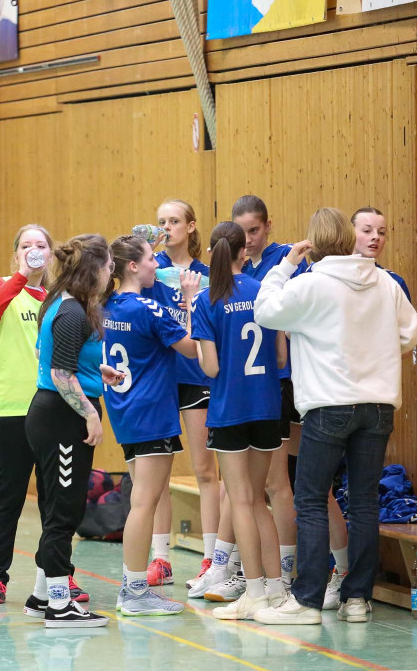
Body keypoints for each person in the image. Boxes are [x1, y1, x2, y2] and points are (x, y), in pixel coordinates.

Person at [251, 208, 417, 625]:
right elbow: (410, 332)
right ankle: (357, 599)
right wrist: (376, 353)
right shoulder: (385, 282)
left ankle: (307, 601)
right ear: (348, 238)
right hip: (378, 405)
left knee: (310, 499)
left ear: (313, 244)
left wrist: (284, 266)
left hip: (329, 405)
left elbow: (265, 311)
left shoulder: (310, 283)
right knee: (364, 502)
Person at [0, 225, 89, 605]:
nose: (34, 250)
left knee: (57, 499)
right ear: (15, 254)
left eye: (41, 245)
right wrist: (21, 276)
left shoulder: (60, 300)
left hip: (52, 410)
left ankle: (58, 575)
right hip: (8, 410)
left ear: (52, 254)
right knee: (8, 496)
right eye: (26, 245)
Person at [24, 234, 121, 628]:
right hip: (61, 419)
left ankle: (41, 595)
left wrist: (96, 371)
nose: (111, 272)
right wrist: (90, 414)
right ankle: (60, 605)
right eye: (109, 266)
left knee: (59, 508)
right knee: (64, 512)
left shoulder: (63, 303)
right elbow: (60, 373)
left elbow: (46, 353)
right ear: (93, 269)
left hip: (56, 414)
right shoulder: (71, 312)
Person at [191, 222, 288, 619]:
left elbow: (211, 368)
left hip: (230, 411)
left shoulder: (206, 300)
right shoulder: (265, 291)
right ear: (242, 252)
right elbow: (281, 358)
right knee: (260, 500)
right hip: (267, 407)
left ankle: (254, 593)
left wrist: (200, 347)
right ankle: (277, 589)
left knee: (242, 501)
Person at [322, 205, 415, 610]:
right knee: (320, 493)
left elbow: (406, 336)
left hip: (370, 401)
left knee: (361, 499)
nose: (375, 237)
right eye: (366, 230)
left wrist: (375, 358)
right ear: (349, 234)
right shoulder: (325, 278)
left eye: (382, 231)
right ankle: (333, 575)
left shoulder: (391, 283)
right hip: (332, 398)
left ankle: (356, 592)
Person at [102, 234, 200, 617]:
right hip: (153, 415)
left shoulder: (107, 306)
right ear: (132, 266)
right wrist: (190, 300)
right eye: (149, 259)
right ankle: (135, 591)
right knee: (144, 503)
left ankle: (133, 587)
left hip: (125, 415)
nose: (156, 265)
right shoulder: (148, 308)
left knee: (141, 502)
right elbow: (192, 347)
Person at [140, 200, 220, 588]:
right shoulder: (148, 270)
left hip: (196, 377)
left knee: (205, 470)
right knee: (159, 474)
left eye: (174, 221)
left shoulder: (206, 275)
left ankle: (212, 559)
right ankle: (161, 558)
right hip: (159, 380)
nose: (167, 227)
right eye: (161, 222)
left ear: (190, 226)